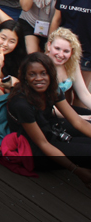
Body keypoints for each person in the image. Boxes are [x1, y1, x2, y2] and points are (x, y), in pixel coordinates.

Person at [7, 52, 91, 188]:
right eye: (32, 74)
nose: (39, 78)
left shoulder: (52, 90)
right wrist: (77, 170)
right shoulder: (21, 103)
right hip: (35, 150)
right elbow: (43, 144)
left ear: (51, 74)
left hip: (50, 129)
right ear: (25, 77)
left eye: (43, 73)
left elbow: (78, 122)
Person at [51, 0, 91, 87]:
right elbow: (57, 19)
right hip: (63, 50)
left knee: (81, 93)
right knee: (62, 90)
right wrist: (50, 45)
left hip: (87, 52)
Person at [46, 28, 91, 111]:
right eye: (57, 48)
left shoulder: (73, 63)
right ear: (49, 46)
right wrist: (79, 117)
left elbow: (84, 94)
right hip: (46, 110)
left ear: (72, 52)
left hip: (62, 108)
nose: (61, 54)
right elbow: (44, 105)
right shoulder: (41, 64)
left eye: (66, 51)